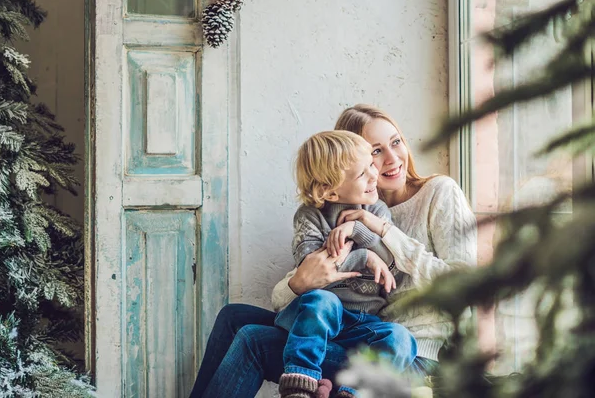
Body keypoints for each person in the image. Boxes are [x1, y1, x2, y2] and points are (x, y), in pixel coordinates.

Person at [189, 104, 477, 398]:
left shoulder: (438, 192)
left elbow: (466, 286)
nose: (391, 159)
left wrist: (382, 230)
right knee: (233, 316)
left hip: (409, 354)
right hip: (351, 334)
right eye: (375, 152)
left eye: (396, 142)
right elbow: (293, 295)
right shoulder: (344, 206)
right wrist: (298, 283)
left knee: (254, 340)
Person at [275, 130, 413, 398]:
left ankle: (353, 393)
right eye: (363, 173)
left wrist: (358, 230)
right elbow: (313, 267)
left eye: (371, 166)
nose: (375, 175)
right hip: (314, 317)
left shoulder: (377, 212)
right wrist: (365, 257)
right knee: (323, 301)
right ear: (330, 191)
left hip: (363, 323)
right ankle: (299, 385)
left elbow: (391, 265)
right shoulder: (309, 217)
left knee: (401, 338)